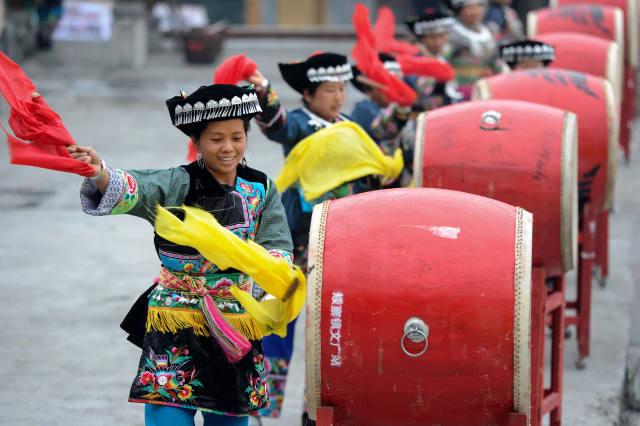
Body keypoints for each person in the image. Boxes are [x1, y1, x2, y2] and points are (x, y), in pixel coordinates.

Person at [67, 83, 295, 426]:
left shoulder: (261, 187)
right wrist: (100, 173)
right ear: (198, 143)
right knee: (166, 419)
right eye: (216, 139)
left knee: (229, 421)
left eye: (237, 136)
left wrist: (265, 287)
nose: (228, 147)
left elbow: (277, 244)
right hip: (176, 319)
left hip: (234, 322)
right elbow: (137, 190)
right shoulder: (176, 183)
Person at [246, 51, 406, 419]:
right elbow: (277, 125)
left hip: (343, 242)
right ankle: (262, 403)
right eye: (329, 90)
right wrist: (265, 94)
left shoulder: (351, 126)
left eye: (341, 89)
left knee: (331, 331)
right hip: (299, 237)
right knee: (277, 320)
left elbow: (375, 157)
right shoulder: (301, 123)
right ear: (308, 95)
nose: (338, 97)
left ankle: (317, 410)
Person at [447, 0, 499, 100]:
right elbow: (443, 59)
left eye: (478, 7)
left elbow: (495, 60)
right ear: (459, 11)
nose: (475, 12)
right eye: (470, 8)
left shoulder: (489, 30)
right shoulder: (452, 34)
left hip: (486, 84)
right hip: (462, 85)